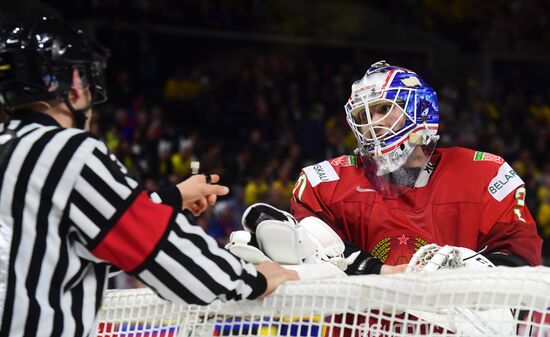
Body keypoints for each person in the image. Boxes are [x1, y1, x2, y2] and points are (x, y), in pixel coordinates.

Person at [0, 17, 297, 337]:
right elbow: (158, 250)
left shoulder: (12, 150)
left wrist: (173, 198)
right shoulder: (66, 151)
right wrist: (253, 279)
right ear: (74, 84)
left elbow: (76, 240)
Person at [290, 60, 542, 275]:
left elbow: (518, 259)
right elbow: (310, 248)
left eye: (383, 109)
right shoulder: (326, 181)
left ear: (420, 109)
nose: (372, 124)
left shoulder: (486, 174)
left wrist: (464, 272)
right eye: (363, 117)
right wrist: (375, 270)